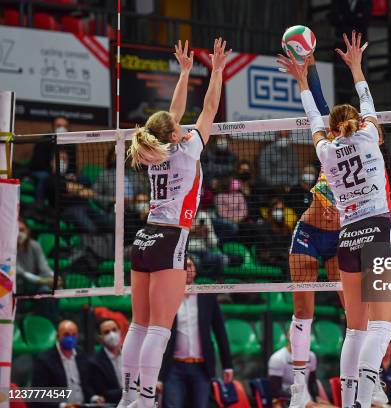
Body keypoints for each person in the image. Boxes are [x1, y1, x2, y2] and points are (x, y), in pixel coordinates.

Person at [279, 31, 391, 408]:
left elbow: (314, 114)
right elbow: (364, 103)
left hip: (346, 236)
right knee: (379, 324)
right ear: (360, 123)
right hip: (374, 227)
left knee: (355, 327)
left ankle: (351, 399)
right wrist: (356, 68)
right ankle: (360, 391)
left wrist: (303, 76)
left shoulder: (327, 151)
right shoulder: (370, 139)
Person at [118, 38, 230, 408]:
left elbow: (170, 116)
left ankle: (129, 396)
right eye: (179, 128)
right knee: (158, 328)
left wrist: (184, 72)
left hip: (145, 238)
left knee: (138, 324)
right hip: (170, 239)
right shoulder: (188, 148)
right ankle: (147, 399)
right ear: (175, 134)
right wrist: (215, 71)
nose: (184, 127)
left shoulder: (154, 151)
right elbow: (210, 108)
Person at [283, 55, 346, 408]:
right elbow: (319, 106)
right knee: (303, 311)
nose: (338, 128)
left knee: (352, 308)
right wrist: (308, 68)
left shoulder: (366, 153)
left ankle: (365, 378)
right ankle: (298, 386)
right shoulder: (327, 150)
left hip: (341, 240)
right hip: (309, 232)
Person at [159, 256, 234, 408]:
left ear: (195, 269)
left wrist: (227, 365)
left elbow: (220, 332)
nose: (187, 269)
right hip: (173, 367)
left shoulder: (207, 296)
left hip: (201, 367)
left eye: (190, 265)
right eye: (183, 266)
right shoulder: (166, 296)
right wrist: (156, 374)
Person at [31, 320, 101, 407]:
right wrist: (63, 406)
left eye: (74, 335)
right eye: (66, 335)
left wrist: (93, 397)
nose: (70, 338)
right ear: (57, 336)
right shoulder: (44, 360)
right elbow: (38, 395)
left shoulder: (81, 356)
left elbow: (86, 385)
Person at [44, 148, 113, 233]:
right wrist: (78, 190)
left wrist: (73, 188)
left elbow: (90, 193)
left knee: (111, 224)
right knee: (91, 229)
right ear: (51, 162)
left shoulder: (75, 177)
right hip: (67, 210)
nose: (62, 161)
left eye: (65, 159)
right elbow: (68, 187)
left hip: (86, 208)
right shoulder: (49, 180)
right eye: (59, 158)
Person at [268, 330, 331, 408]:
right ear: (288, 336)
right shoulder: (277, 358)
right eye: (295, 334)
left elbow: (312, 382)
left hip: (308, 400)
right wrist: (300, 399)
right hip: (288, 400)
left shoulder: (311, 356)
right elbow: (275, 390)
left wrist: (316, 397)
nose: (299, 338)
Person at [29, 116, 77, 203]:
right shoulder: (44, 141)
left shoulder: (71, 144)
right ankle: (39, 206)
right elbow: (38, 164)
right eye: (59, 126)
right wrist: (53, 171)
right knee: (45, 179)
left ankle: (72, 204)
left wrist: (71, 174)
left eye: (65, 126)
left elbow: (73, 166)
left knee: (84, 179)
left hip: (62, 175)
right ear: (53, 127)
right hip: (44, 172)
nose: (62, 128)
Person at [90, 319, 124, 404]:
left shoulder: (132, 354)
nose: (112, 335)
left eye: (114, 330)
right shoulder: (95, 362)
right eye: (106, 332)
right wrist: (130, 391)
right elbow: (104, 394)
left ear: (120, 332)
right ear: (100, 338)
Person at [16, 218, 54, 292]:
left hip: (35, 283)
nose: (19, 234)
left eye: (22, 230)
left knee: (48, 290)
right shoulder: (7, 250)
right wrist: (43, 281)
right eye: (16, 231)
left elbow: (44, 267)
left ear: (28, 231)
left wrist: (54, 276)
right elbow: (22, 273)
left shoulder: (35, 245)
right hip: (18, 284)